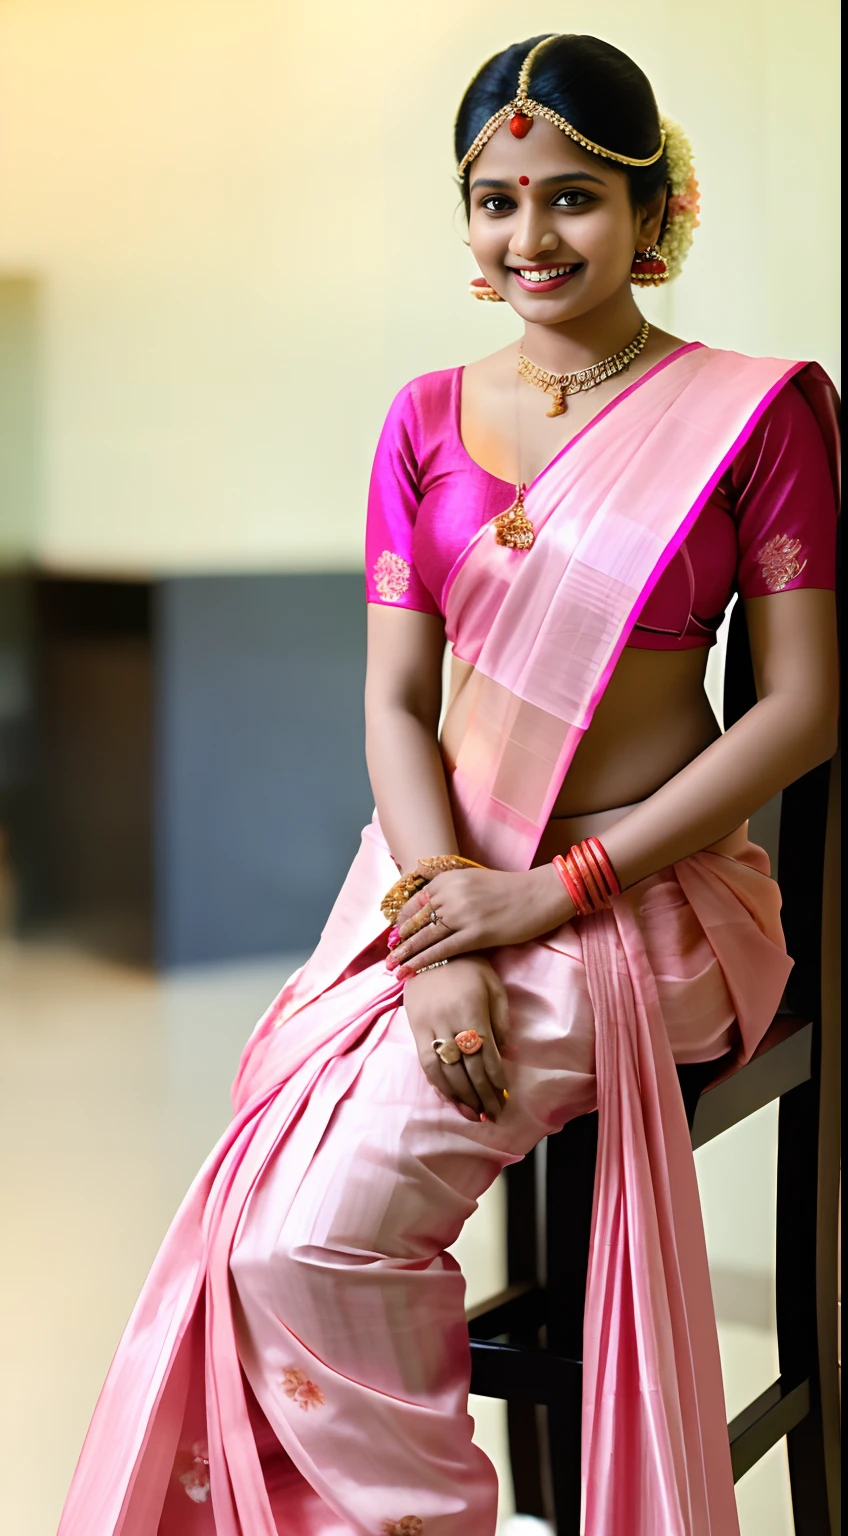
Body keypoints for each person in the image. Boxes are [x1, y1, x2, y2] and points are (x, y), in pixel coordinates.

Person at [58, 32, 839, 1536]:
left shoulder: (757, 416)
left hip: (648, 902)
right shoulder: (422, 417)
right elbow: (397, 706)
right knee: (257, 1209)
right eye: (495, 200)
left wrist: (546, 896)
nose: (530, 238)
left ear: (652, 206)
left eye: (574, 199)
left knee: (307, 1247)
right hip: (442, 883)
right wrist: (439, 928)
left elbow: (803, 708)